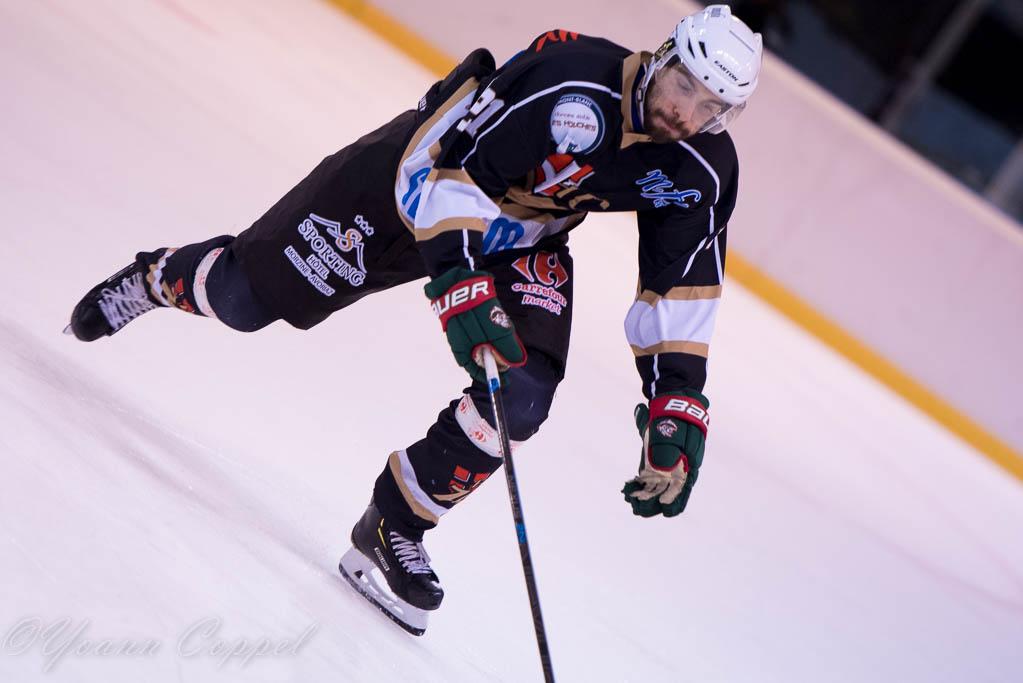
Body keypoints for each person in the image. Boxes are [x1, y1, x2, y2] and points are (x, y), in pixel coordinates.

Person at [66, 5, 762, 634]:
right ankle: (155, 279)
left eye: (711, 107)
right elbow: (453, 169)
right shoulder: (569, 81)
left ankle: (393, 525)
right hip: (410, 184)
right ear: (664, 56)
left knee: (518, 395)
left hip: (525, 238)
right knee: (243, 299)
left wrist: (676, 398)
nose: (686, 113)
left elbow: (683, 283)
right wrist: (460, 284)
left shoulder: (701, 165)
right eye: (684, 87)